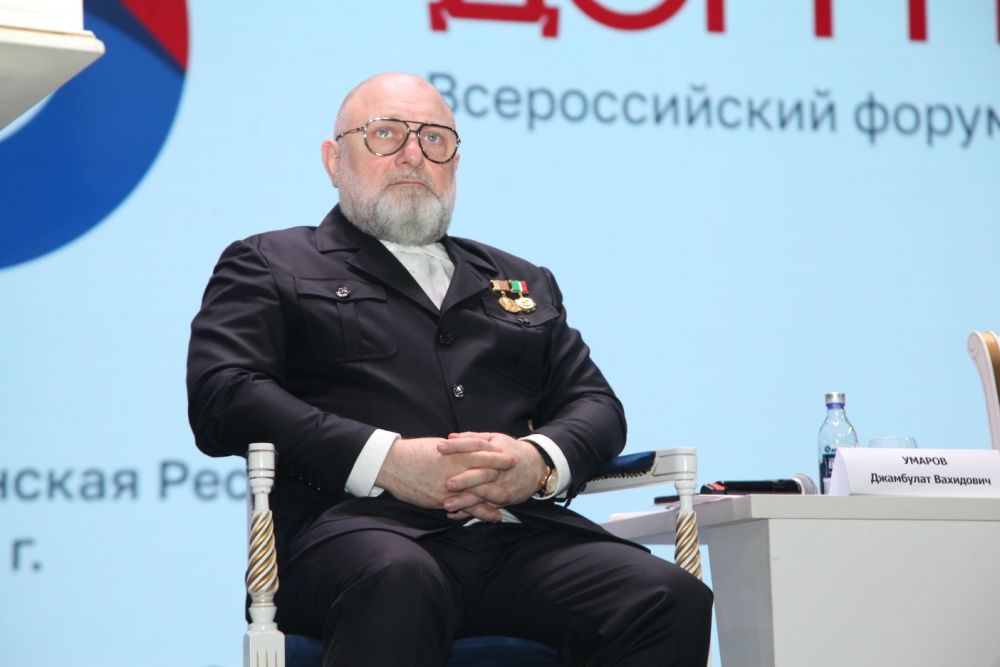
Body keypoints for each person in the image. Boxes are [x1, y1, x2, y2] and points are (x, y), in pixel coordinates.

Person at [187, 72, 712, 667]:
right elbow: (223, 395)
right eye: (386, 134)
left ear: (455, 163)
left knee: (667, 597)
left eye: (434, 139)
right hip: (352, 533)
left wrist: (537, 463)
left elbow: (595, 405)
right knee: (400, 577)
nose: (414, 154)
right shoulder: (271, 261)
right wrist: (387, 461)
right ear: (334, 160)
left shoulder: (520, 279)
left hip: (517, 539)